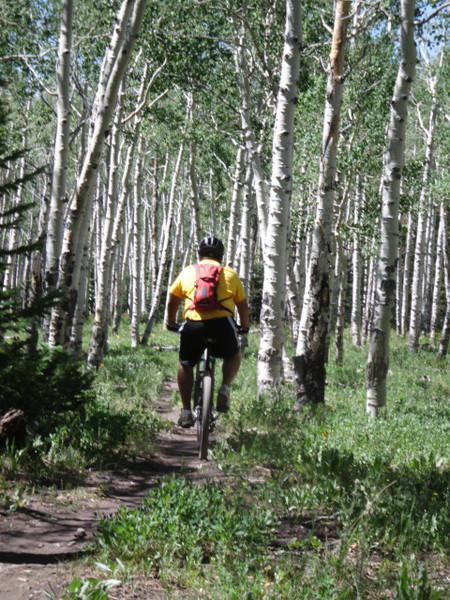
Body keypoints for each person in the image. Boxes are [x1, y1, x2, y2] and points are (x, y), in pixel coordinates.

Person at [166, 236, 250, 427]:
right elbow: (243, 306)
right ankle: (225, 388)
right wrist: (244, 326)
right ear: (221, 256)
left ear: (199, 254)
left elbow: (172, 298)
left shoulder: (188, 272)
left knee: (186, 363)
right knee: (233, 354)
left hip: (194, 325)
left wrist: (171, 322)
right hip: (222, 324)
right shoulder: (230, 274)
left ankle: (186, 411)